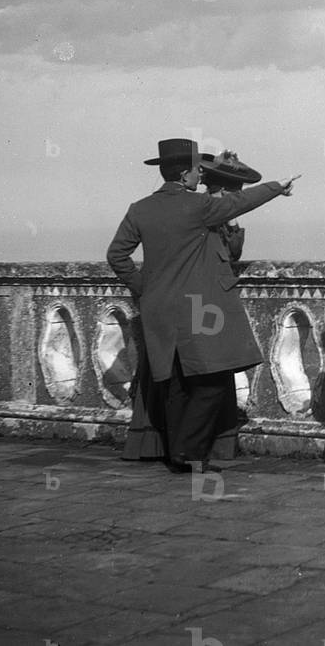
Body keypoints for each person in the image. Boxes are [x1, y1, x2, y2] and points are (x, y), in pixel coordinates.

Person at [107, 138, 299, 473]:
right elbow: (240, 202)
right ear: (184, 174)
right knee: (212, 380)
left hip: (159, 309)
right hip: (197, 308)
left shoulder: (139, 208)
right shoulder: (198, 207)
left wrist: (145, 288)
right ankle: (187, 451)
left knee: (178, 383)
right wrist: (276, 187)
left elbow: (116, 256)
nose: (200, 175)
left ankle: (178, 452)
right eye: (197, 169)